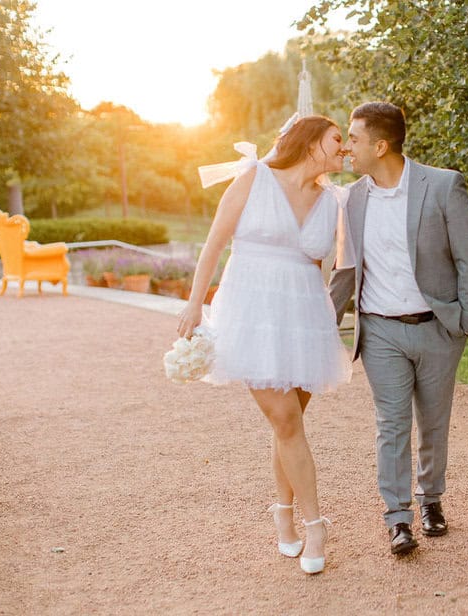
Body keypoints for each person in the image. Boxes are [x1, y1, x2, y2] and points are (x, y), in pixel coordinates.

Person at [177, 115, 352, 574]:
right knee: (286, 418)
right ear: (312, 141)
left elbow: (325, 270)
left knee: (288, 425)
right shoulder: (253, 176)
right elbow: (214, 243)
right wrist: (195, 305)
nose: (345, 149)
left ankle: (282, 515)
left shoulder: (332, 201)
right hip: (251, 315)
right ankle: (315, 524)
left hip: (305, 319)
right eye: (338, 141)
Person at [329, 102, 468, 555]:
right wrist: (321, 323)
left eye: (354, 139)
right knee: (391, 425)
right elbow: (345, 268)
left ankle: (431, 498)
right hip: (379, 331)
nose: (347, 149)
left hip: (438, 328)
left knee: (434, 422)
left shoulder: (442, 185)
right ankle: (398, 518)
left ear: (381, 145)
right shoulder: (352, 198)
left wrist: (466, 321)